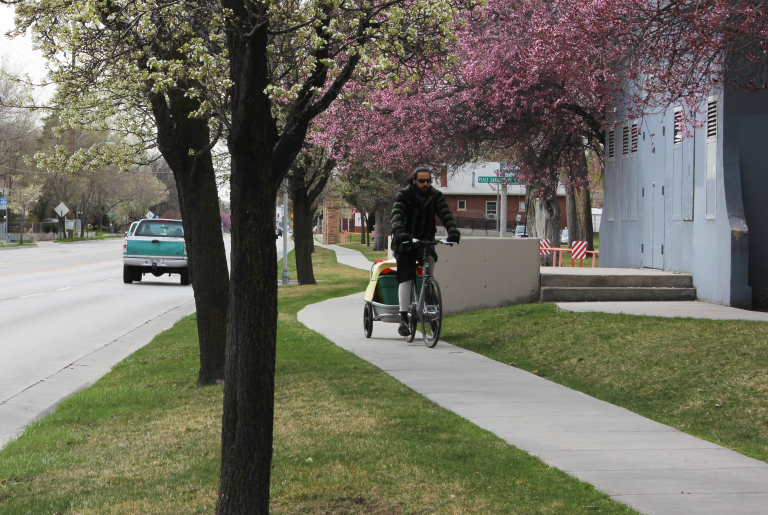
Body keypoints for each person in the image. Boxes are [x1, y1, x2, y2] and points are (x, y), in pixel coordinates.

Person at [391, 167, 461, 336]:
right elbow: (397, 213)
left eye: (428, 181)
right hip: (406, 242)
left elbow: (445, 214)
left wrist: (453, 231)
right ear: (414, 181)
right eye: (422, 181)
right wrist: (399, 230)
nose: (425, 184)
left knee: (430, 261)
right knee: (406, 277)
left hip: (425, 240)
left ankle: (429, 295)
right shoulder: (404, 195)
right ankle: (403, 318)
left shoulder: (435, 196)